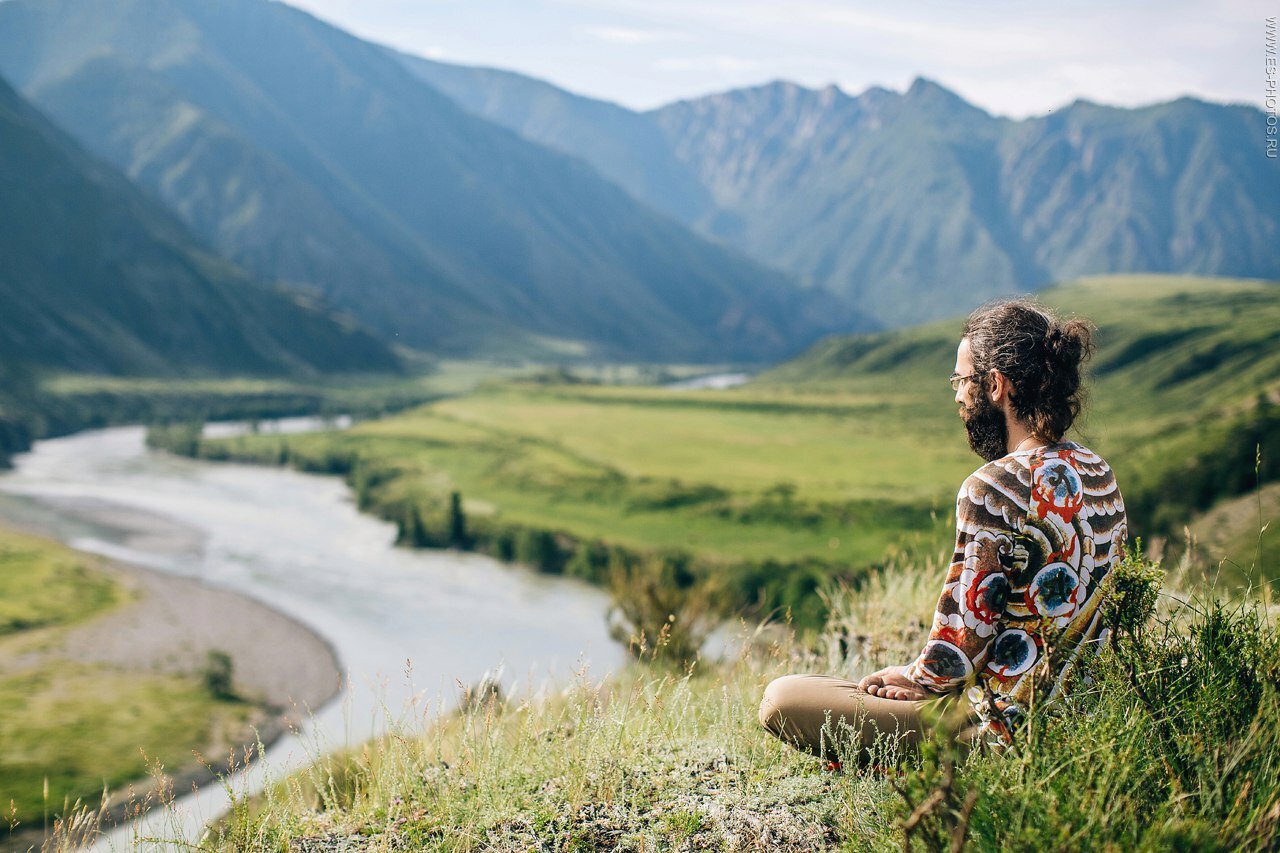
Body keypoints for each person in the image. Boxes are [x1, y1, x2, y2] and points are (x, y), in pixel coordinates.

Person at [758, 297, 1129, 767]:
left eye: (961, 380)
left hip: (1000, 728)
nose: (956, 394)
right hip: (1086, 717)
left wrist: (918, 679)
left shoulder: (994, 488)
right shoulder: (1099, 471)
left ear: (995, 385)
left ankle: (911, 762)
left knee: (783, 697)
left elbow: (965, 637)